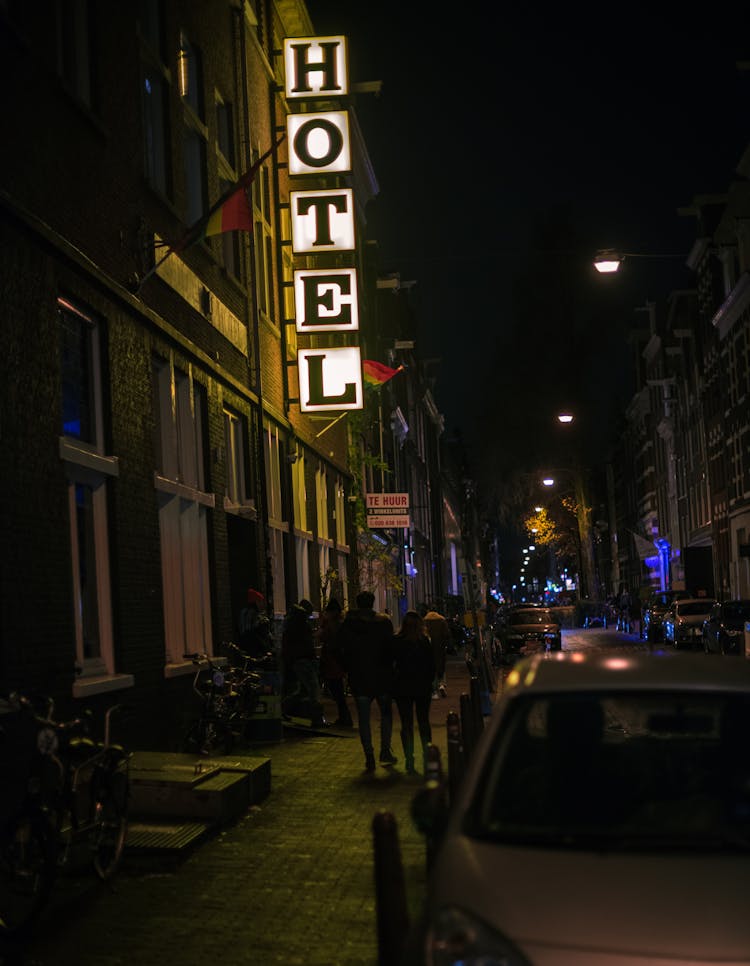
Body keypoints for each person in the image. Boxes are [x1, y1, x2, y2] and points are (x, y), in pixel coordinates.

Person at [339, 590, 396, 772]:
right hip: (382, 677)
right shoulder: (384, 623)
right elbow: (390, 649)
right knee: (386, 715)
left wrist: (348, 668)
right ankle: (385, 751)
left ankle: (369, 756)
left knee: (364, 718)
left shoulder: (348, 625)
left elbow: (341, 649)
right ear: (372, 603)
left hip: (359, 677)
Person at [392, 610, 435, 774]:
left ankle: (409, 759)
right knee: (424, 722)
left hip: (403, 687)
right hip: (422, 687)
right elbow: (431, 665)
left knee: (407, 724)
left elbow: (392, 663)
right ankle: (427, 756)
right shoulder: (424, 642)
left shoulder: (397, 642)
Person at [281, 599, 321, 715]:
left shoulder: (290, 622)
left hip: (297, 659)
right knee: (313, 689)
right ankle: (316, 715)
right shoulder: (302, 623)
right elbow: (306, 643)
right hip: (304, 659)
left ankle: (284, 706)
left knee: (303, 690)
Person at [317, 598, 353, 727]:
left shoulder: (331, 625)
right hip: (337, 662)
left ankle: (345, 718)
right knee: (338, 692)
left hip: (332, 661)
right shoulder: (340, 624)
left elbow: (322, 637)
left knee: (337, 691)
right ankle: (345, 718)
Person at [423, 607, 450, 698]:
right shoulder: (442, 620)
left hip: (428, 648)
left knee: (431, 667)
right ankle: (442, 684)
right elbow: (446, 634)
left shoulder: (425, 621)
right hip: (440, 647)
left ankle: (434, 690)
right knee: (441, 665)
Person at [238, 588, 271, 657]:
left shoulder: (243, 611)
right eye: (260, 602)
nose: (262, 604)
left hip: (243, 644)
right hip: (252, 646)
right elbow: (252, 631)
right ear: (256, 602)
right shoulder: (253, 614)